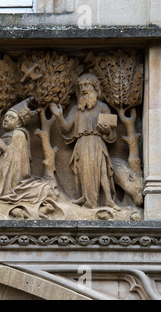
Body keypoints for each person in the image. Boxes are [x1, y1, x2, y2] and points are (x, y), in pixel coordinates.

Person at [50, 73, 120, 210]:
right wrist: (58, 116)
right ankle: (85, 197)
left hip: (97, 142)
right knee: (83, 171)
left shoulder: (102, 107)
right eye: (81, 86)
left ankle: (108, 200)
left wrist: (106, 130)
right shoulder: (76, 109)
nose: (83, 89)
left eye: (87, 85)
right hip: (81, 144)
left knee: (102, 170)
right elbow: (66, 129)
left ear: (95, 87)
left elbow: (111, 132)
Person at [0, 100, 57, 205]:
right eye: (6, 116)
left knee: (41, 189)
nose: (6, 119)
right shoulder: (6, 135)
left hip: (15, 178)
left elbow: (15, 157)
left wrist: (4, 147)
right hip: (4, 174)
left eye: (11, 118)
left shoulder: (18, 134)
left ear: (19, 123)